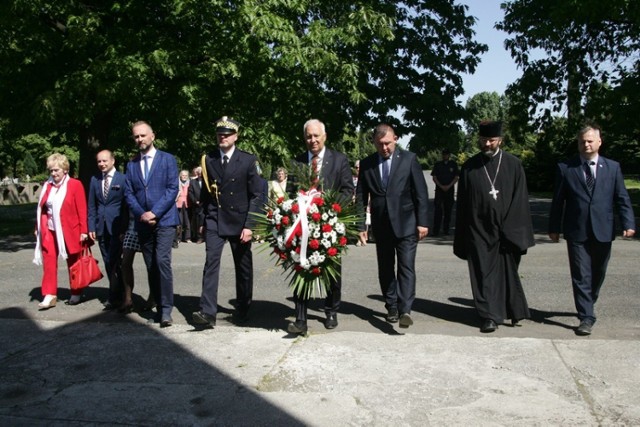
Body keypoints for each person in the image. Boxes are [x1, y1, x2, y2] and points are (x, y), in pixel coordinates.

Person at [548, 125, 635, 336]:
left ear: (599, 142)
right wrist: (554, 227)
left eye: (589, 141)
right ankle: (586, 316)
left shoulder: (612, 168)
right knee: (581, 275)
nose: (585, 144)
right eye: (582, 141)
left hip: (603, 229)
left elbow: (622, 198)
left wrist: (628, 223)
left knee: (598, 272)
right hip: (576, 230)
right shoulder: (566, 168)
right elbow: (558, 201)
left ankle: (589, 299)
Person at [453, 120, 534, 333]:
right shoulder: (470, 167)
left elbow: (520, 200)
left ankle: (512, 311)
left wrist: (512, 228)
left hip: (508, 230)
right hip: (478, 231)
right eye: (483, 140)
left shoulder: (513, 165)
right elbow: (462, 203)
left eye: (492, 140)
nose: (487, 143)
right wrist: (462, 234)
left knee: (508, 272)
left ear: (500, 140)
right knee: (483, 274)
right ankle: (489, 316)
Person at [191, 117, 264, 328]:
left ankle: (243, 307)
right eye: (219, 134)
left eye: (226, 134)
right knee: (211, 264)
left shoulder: (248, 160)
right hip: (215, 217)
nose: (222, 138)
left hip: (240, 221)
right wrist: (203, 219)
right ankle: (207, 312)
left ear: (236, 136)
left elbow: (257, 195)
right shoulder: (209, 159)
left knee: (243, 267)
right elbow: (206, 192)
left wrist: (250, 225)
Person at [356, 124, 429, 328]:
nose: (384, 148)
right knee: (386, 268)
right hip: (381, 226)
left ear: (395, 139)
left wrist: (423, 222)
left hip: (407, 224)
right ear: (374, 143)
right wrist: (361, 225)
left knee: (406, 267)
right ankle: (392, 307)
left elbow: (421, 193)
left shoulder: (409, 159)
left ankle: (405, 309)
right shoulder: (367, 163)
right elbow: (361, 197)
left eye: (387, 143)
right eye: (380, 145)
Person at [287, 119, 354, 335]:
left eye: (316, 136)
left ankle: (331, 310)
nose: (312, 140)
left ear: (324, 136)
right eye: (309, 136)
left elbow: (347, 190)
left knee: (332, 271)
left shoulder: (339, 160)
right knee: (301, 267)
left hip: (329, 224)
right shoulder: (297, 162)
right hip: (302, 226)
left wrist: (329, 206)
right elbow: (290, 192)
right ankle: (300, 318)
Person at [124, 121, 180, 328]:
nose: (139, 140)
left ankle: (166, 309)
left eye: (143, 135)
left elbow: (172, 188)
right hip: (143, 223)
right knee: (150, 265)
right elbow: (129, 193)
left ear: (152, 136)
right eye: (136, 137)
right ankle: (157, 302)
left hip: (164, 220)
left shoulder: (167, 160)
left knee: (161, 261)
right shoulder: (131, 165)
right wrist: (142, 214)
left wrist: (155, 212)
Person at [33, 153, 89, 308]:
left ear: (65, 169)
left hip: (70, 230)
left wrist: (84, 230)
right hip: (49, 229)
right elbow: (41, 209)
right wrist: (38, 227)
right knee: (49, 261)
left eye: (56, 170)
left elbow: (82, 209)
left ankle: (76, 292)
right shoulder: (47, 186)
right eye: (51, 170)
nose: (53, 173)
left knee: (74, 261)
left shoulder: (75, 185)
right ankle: (49, 294)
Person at [88, 150, 128, 310]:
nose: (102, 164)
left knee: (115, 261)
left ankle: (120, 294)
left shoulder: (123, 179)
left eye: (105, 161)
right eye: (99, 161)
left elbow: (126, 207)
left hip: (117, 227)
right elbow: (92, 205)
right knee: (107, 261)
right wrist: (91, 226)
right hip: (100, 227)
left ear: (113, 161)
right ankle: (117, 293)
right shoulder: (95, 180)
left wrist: (124, 228)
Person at [431, 148, 459, 236]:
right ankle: (436, 231)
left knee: (448, 211)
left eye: (447, 154)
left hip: (450, 191)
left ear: (449, 155)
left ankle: (446, 230)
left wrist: (449, 186)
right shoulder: (438, 164)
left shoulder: (453, 164)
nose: (445, 156)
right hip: (439, 191)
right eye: (444, 154)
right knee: (438, 211)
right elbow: (434, 177)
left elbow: (456, 177)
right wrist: (441, 186)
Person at [188, 166, 205, 243]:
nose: (200, 174)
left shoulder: (207, 181)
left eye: (201, 173)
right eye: (198, 173)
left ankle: (207, 237)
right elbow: (190, 192)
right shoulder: (193, 182)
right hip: (197, 205)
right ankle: (199, 237)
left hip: (205, 204)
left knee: (205, 220)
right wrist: (195, 201)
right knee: (198, 221)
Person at [176, 169, 191, 244]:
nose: (184, 177)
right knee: (179, 221)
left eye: (186, 175)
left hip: (187, 203)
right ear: (180, 176)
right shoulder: (177, 183)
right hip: (178, 203)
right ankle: (179, 238)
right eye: (183, 175)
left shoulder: (190, 183)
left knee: (187, 222)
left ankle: (187, 238)